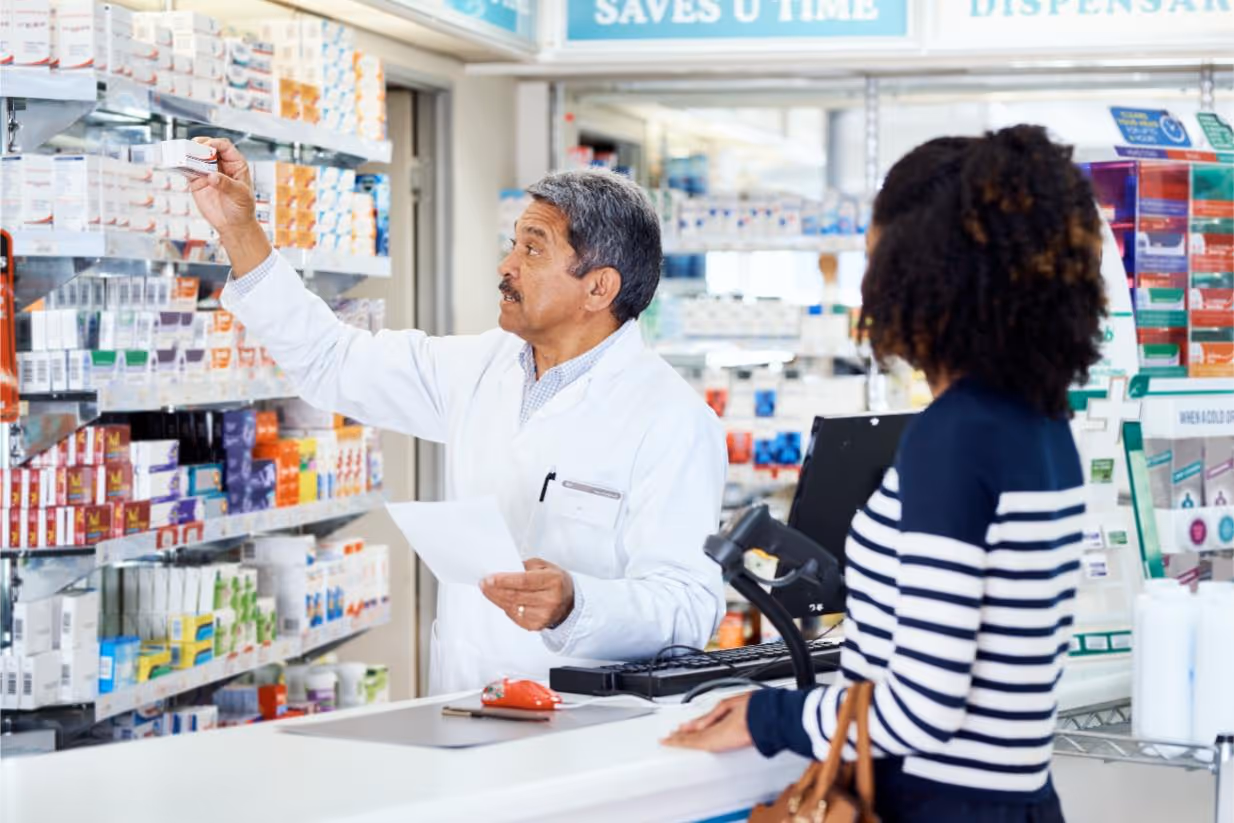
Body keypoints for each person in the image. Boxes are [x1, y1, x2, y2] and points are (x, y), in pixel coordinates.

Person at [664, 125, 1107, 823]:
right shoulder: (1039, 422)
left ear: (923, 272)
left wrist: (768, 715)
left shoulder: (954, 436)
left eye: (876, 259)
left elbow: (923, 707)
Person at [188, 138, 727, 695]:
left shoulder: (670, 418)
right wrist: (239, 230)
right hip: (466, 696)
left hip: (584, 722)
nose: (506, 265)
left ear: (598, 287)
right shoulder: (477, 367)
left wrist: (576, 603)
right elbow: (331, 359)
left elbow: (689, 606)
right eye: (513, 243)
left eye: (533, 250)